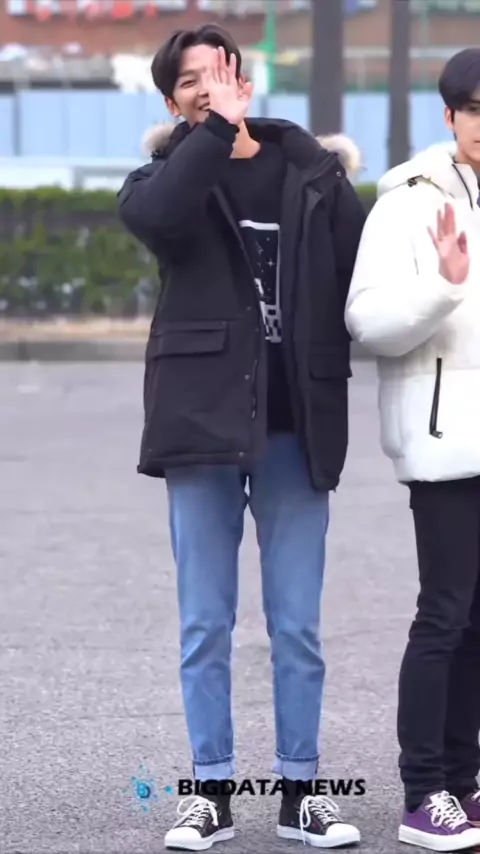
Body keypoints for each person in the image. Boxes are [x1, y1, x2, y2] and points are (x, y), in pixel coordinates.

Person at [118, 22, 366, 851]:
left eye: (216, 75)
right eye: (188, 82)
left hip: (297, 422)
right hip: (201, 423)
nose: (205, 90)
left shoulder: (313, 172)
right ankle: (210, 793)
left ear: (245, 79)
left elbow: (361, 281)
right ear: (173, 102)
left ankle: (301, 793)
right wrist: (216, 133)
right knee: (205, 624)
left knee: (297, 626)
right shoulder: (161, 181)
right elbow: (159, 218)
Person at [345, 47, 480, 852]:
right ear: (451, 115)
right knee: (445, 614)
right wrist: (443, 284)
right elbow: (367, 321)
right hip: (443, 437)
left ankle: (464, 782)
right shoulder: (408, 200)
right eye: (477, 109)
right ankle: (423, 792)